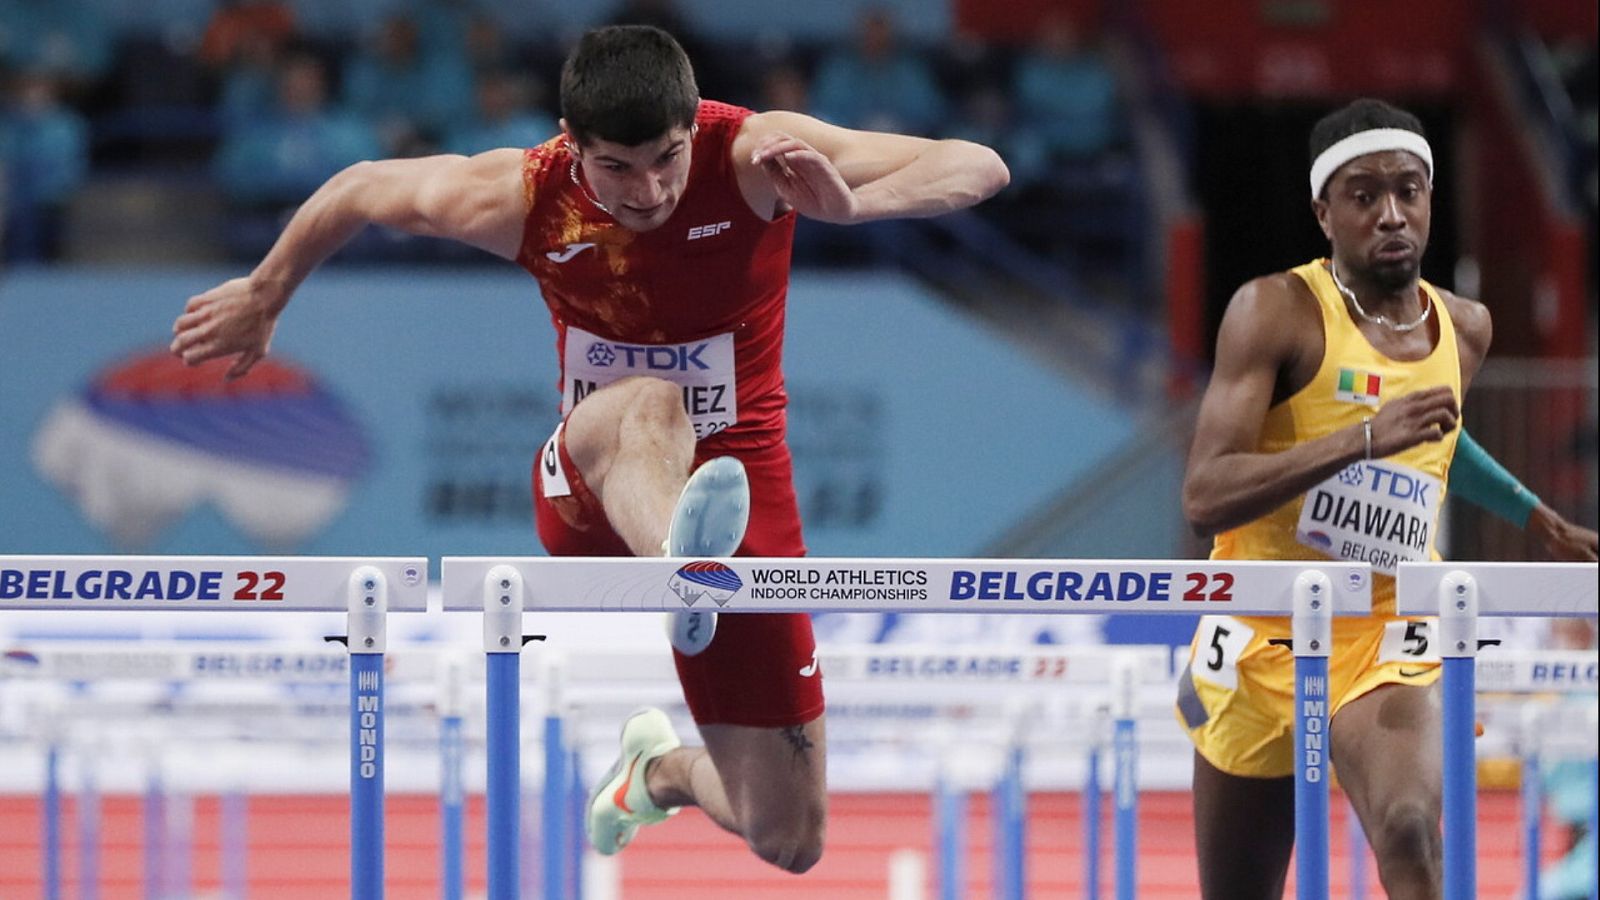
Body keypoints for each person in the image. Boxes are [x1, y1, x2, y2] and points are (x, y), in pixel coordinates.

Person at [169, 25, 1008, 873]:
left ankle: (659, 770)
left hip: (739, 494)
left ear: (692, 128)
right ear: (574, 148)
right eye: (617, 167)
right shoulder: (522, 196)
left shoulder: (757, 155)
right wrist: (267, 292)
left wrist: (854, 207)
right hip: (592, 481)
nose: (648, 190)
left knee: (788, 836)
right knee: (651, 403)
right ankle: (682, 568)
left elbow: (978, 165)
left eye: (668, 159)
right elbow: (358, 187)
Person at [1176, 97, 1597, 900]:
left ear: (1432, 198)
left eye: (1409, 190)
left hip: (1386, 627)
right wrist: (1365, 437)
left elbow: (1440, 439)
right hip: (1260, 622)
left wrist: (1532, 515)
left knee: (1408, 827)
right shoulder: (1275, 311)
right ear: (1323, 212)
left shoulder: (1465, 327)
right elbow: (1205, 495)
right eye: (1364, 196)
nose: (1392, 214)